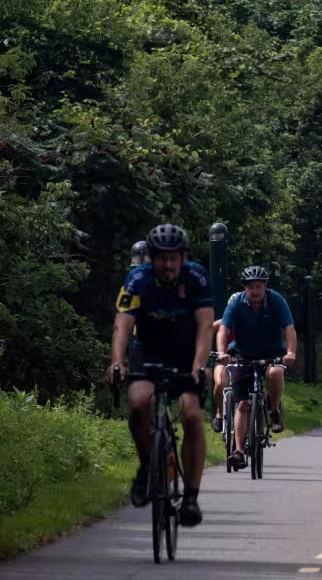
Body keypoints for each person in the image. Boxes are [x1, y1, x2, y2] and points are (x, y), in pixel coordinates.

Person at [107, 224, 213, 527]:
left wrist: (199, 363)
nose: (168, 265)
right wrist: (117, 362)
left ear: (183, 258)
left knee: (191, 415)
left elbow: (205, 325)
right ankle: (147, 468)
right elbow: (122, 324)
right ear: (152, 258)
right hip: (148, 351)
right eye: (162, 258)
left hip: (186, 353)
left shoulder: (196, 278)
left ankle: (190, 498)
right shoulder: (137, 279)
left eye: (174, 258)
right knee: (139, 402)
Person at [214, 266, 297, 469]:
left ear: (266, 286)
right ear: (245, 288)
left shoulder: (276, 300)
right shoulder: (236, 302)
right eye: (250, 287)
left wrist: (291, 352)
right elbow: (223, 329)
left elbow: (289, 328)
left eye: (258, 287)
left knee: (276, 373)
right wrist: (222, 352)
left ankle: (274, 410)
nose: (254, 291)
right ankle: (239, 451)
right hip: (242, 354)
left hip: (271, 353)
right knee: (242, 404)